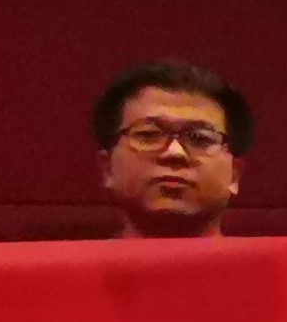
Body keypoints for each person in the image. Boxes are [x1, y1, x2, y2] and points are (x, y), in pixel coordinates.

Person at [95, 58, 248, 240]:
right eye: (149, 135)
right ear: (108, 168)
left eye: (199, 138)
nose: (174, 153)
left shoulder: (276, 260)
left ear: (234, 174)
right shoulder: (69, 259)